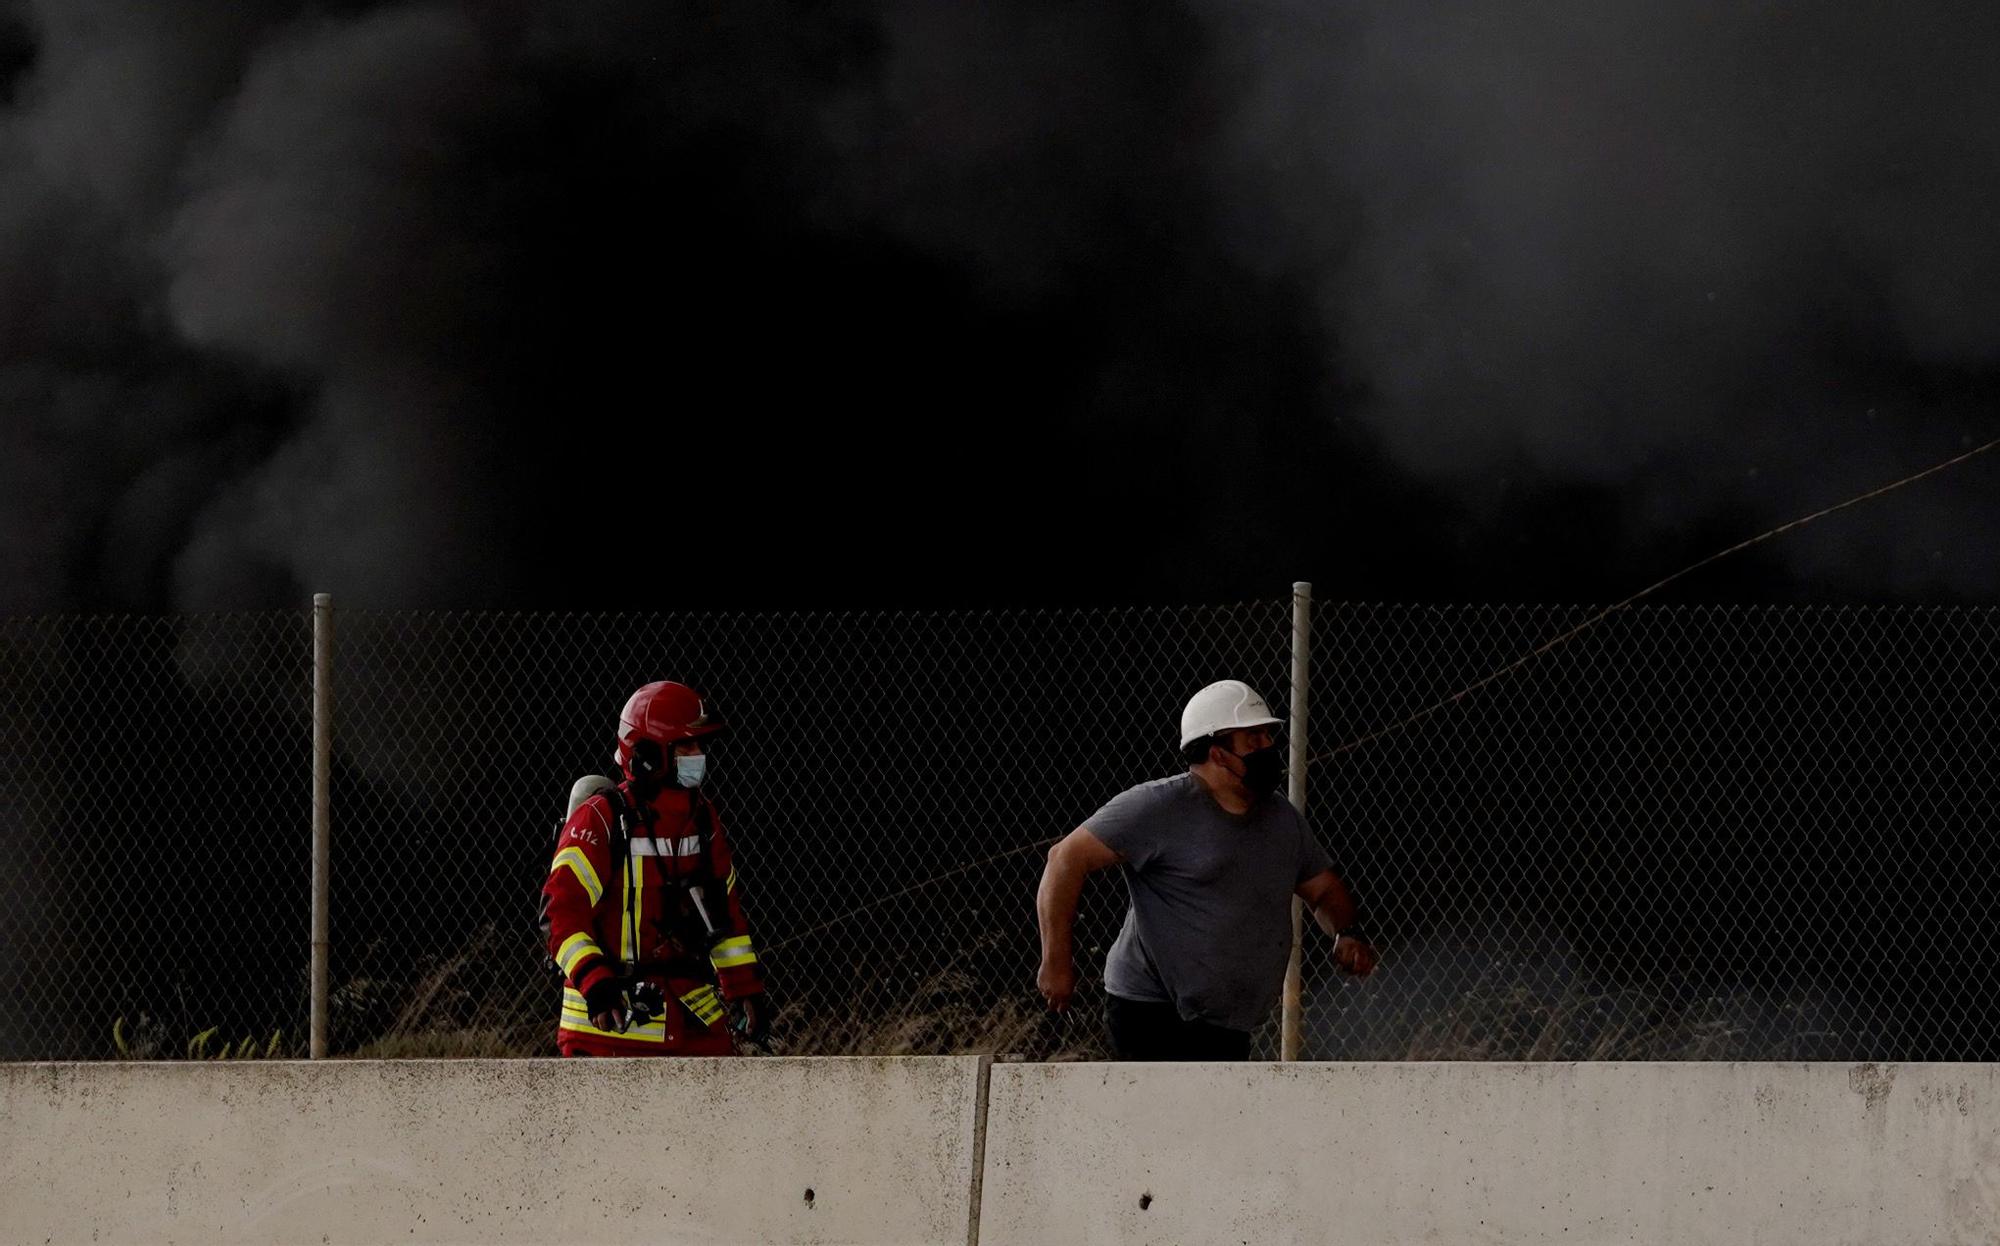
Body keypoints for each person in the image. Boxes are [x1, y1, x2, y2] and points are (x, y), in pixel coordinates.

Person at [1036, 679, 1376, 1059]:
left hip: (1228, 1019)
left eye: (1267, 735)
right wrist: (1057, 961)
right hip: (1150, 1010)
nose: (1268, 746)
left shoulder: (1282, 819)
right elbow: (1065, 859)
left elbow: (1324, 889)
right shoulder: (1158, 807)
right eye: (1253, 738)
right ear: (1218, 753)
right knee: (1163, 1116)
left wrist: (1346, 932)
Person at [542, 680, 769, 1056]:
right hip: (608, 1027)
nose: (698, 755)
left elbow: (723, 911)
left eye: (700, 745)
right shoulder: (600, 819)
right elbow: (561, 913)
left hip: (689, 1016)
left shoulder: (701, 818)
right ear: (648, 754)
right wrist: (595, 981)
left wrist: (745, 989)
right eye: (686, 745)